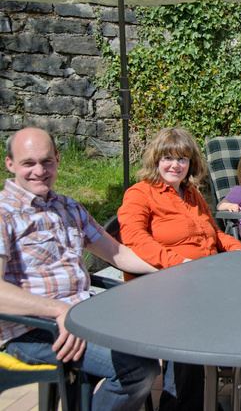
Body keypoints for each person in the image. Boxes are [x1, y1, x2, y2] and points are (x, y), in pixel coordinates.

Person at [0, 127, 160, 411]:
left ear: (58, 160)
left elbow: (117, 253)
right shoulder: (4, 214)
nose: (39, 170)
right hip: (33, 330)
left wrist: (169, 271)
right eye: (28, 163)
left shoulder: (68, 207)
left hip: (83, 317)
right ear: (10, 164)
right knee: (137, 370)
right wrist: (58, 311)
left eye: (47, 161)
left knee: (156, 340)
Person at [117, 126, 241, 411]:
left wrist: (239, 252)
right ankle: (192, 401)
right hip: (164, 284)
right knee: (202, 318)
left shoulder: (192, 194)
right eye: (168, 158)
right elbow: (134, 239)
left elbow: (214, 233)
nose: (175, 165)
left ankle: (234, 378)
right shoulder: (140, 193)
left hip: (205, 278)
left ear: (191, 163)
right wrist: (181, 264)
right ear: (156, 160)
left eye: (182, 159)